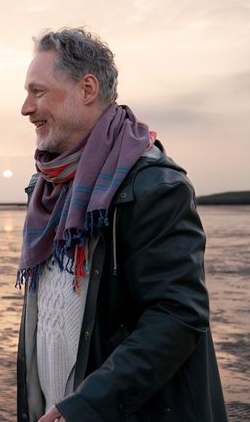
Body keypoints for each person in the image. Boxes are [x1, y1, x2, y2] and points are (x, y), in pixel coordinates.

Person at [15, 28, 227, 421]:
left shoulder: (153, 187)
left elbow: (177, 316)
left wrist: (84, 407)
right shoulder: (44, 189)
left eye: (37, 91)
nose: (25, 108)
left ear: (88, 89)